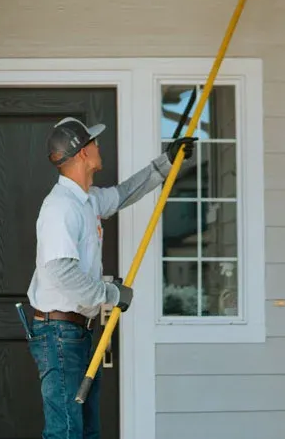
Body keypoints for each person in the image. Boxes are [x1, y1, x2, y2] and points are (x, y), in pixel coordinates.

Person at [26, 116, 196, 439]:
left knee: (87, 430)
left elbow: (123, 194)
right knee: (65, 433)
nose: (98, 146)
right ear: (81, 154)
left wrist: (166, 162)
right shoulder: (60, 208)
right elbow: (61, 273)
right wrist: (112, 294)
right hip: (59, 335)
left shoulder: (86, 200)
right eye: (93, 142)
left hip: (78, 333)